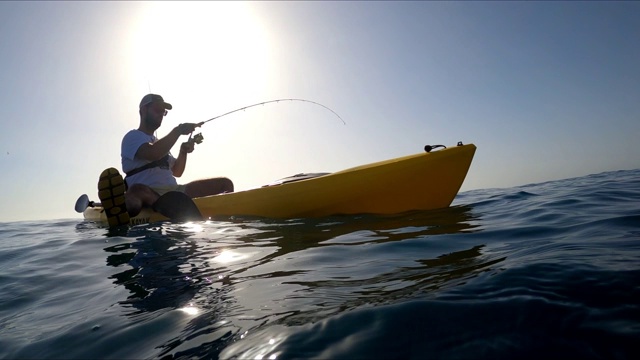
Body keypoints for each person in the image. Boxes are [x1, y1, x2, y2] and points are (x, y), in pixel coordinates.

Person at [98, 94, 233, 226]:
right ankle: (120, 209)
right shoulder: (132, 136)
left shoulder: (161, 144)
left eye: (163, 112)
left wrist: (183, 151)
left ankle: (229, 219)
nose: (161, 115)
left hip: (176, 191)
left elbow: (177, 171)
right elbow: (153, 153)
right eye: (157, 110)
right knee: (137, 191)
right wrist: (178, 131)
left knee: (225, 184)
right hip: (149, 193)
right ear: (143, 110)